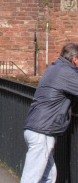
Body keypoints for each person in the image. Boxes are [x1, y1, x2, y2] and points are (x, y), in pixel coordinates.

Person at [21, 43, 78, 182]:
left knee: (49, 176)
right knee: (31, 178)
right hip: (43, 131)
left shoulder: (55, 67)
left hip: (37, 127)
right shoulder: (67, 72)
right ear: (75, 59)